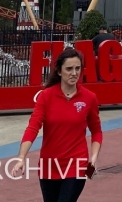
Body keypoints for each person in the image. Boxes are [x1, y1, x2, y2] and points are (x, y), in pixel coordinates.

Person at [11, 48, 102, 202]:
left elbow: (96, 132)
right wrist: (21, 157)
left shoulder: (89, 98)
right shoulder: (46, 97)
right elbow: (33, 127)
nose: (74, 73)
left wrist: (93, 159)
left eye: (77, 68)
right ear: (59, 71)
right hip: (49, 165)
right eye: (69, 69)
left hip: (77, 165)